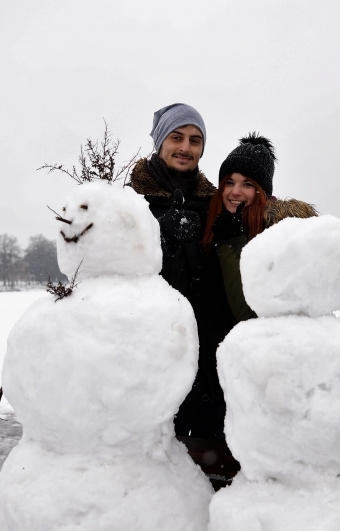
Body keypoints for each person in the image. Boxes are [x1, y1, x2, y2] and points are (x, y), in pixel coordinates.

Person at [129, 103, 234, 439]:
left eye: (195, 140)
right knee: (156, 464)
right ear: (160, 142)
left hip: (212, 365)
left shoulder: (216, 203)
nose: (186, 148)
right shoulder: (132, 203)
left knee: (214, 467)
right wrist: (161, 235)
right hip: (154, 363)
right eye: (177, 137)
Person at [201, 134, 318, 323]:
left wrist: (232, 242)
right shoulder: (213, 224)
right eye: (230, 182)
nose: (235, 191)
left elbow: (251, 315)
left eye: (247, 184)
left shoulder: (280, 234)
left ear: (262, 191)